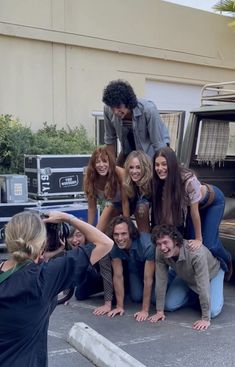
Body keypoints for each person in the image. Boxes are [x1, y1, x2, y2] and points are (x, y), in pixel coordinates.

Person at [0, 211, 113, 367]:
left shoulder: (41, 275)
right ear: (42, 242)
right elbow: (105, 243)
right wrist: (68, 218)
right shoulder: (45, 277)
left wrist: (42, 258)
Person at [152, 146, 232, 278]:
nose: (160, 168)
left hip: (212, 202)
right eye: (157, 165)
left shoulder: (189, 180)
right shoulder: (162, 182)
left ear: (172, 164)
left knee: (209, 244)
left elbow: (195, 213)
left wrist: (199, 239)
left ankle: (226, 259)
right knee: (189, 243)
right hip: (192, 207)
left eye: (164, 164)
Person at [149, 224, 224, 331]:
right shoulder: (159, 251)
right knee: (169, 305)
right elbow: (161, 279)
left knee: (212, 311)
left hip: (211, 274)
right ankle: (193, 295)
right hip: (185, 274)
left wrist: (205, 318)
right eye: (159, 244)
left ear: (175, 241)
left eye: (165, 242)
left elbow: (203, 284)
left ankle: (205, 296)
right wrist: (159, 311)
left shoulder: (196, 253)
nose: (162, 247)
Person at [84, 146, 129, 315]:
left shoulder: (120, 174)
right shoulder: (90, 179)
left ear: (110, 161)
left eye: (104, 161)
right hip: (113, 204)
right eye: (97, 162)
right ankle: (97, 273)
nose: (101, 165)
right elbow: (91, 210)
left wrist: (125, 225)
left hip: (129, 203)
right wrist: (88, 231)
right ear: (93, 165)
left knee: (107, 233)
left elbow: (125, 203)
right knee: (96, 235)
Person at [102, 79, 170, 166]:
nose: (115, 112)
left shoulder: (148, 110)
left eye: (118, 106)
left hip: (152, 153)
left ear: (128, 102)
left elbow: (159, 145)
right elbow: (110, 141)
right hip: (128, 152)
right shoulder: (108, 110)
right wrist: (112, 170)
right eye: (112, 107)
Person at [107, 215, 155, 322]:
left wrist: (144, 310)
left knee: (155, 300)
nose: (119, 238)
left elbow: (148, 279)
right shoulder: (113, 246)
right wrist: (119, 306)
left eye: (123, 234)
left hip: (153, 273)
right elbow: (118, 276)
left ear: (131, 233)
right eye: (116, 234)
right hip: (135, 270)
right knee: (136, 297)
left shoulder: (147, 245)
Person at [124, 150, 152, 232]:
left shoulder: (152, 183)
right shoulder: (129, 183)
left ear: (145, 167)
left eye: (138, 167)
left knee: (141, 206)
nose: (134, 171)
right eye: (131, 167)